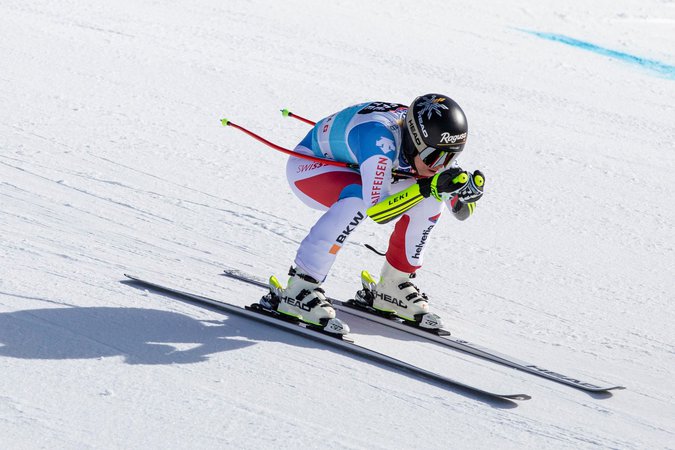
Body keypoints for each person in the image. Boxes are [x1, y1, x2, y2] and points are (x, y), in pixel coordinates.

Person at [266, 94, 485, 333]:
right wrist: (427, 186)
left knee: (432, 197)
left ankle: (393, 283)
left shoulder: (434, 143)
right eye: (434, 156)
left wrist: (466, 195)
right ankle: (301, 286)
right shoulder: (378, 139)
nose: (440, 165)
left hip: (357, 167)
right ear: (414, 141)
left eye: (452, 156)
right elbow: (378, 211)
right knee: (360, 197)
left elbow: (460, 211)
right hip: (312, 168)